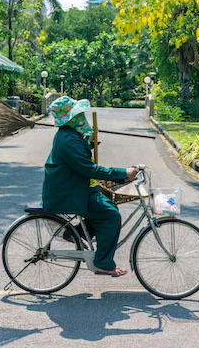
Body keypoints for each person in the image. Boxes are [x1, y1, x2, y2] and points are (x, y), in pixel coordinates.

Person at [42, 96, 138, 277]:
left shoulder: (71, 135)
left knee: (106, 208)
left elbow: (82, 154)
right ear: (71, 119)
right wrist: (122, 174)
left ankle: (77, 233)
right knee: (110, 215)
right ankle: (103, 263)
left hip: (80, 188)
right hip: (72, 192)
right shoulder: (69, 140)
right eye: (79, 115)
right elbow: (88, 168)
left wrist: (90, 138)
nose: (83, 118)